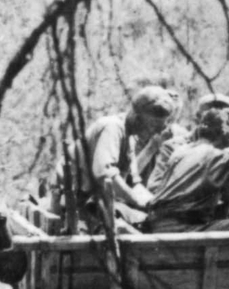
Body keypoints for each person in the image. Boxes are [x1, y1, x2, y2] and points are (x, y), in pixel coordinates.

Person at [66, 85, 179, 228]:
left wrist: (154, 203)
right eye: (154, 124)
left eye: (161, 126)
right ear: (137, 118)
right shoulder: (112, 127)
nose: (157, 131)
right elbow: (105, 174)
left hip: (92, 203)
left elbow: (133, 183)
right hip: (77, 206)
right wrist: (137, 202)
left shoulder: (129, 137)